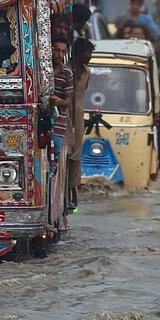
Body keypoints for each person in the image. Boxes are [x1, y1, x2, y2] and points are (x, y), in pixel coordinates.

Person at [66, 37, 93, 208]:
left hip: (78, 117)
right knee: (63, 153)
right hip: (64, 116)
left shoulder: (87, 72)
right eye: (88, 52)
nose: (90, 56)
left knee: (76, 155)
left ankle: (72, 191)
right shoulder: (65, 70)